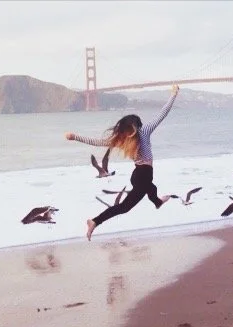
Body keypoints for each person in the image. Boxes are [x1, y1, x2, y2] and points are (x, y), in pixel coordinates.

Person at [66, 84, 180, 241]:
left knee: (151, 188)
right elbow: (162, 114)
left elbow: (97, 142)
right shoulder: (144, 132)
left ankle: (157, 202)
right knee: (126, 206)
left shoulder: (123, 139)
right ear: (138, 126)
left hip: (139, 175)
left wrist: (75, 137)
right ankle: (94, 221)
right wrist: (173, 94)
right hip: (143, 175)